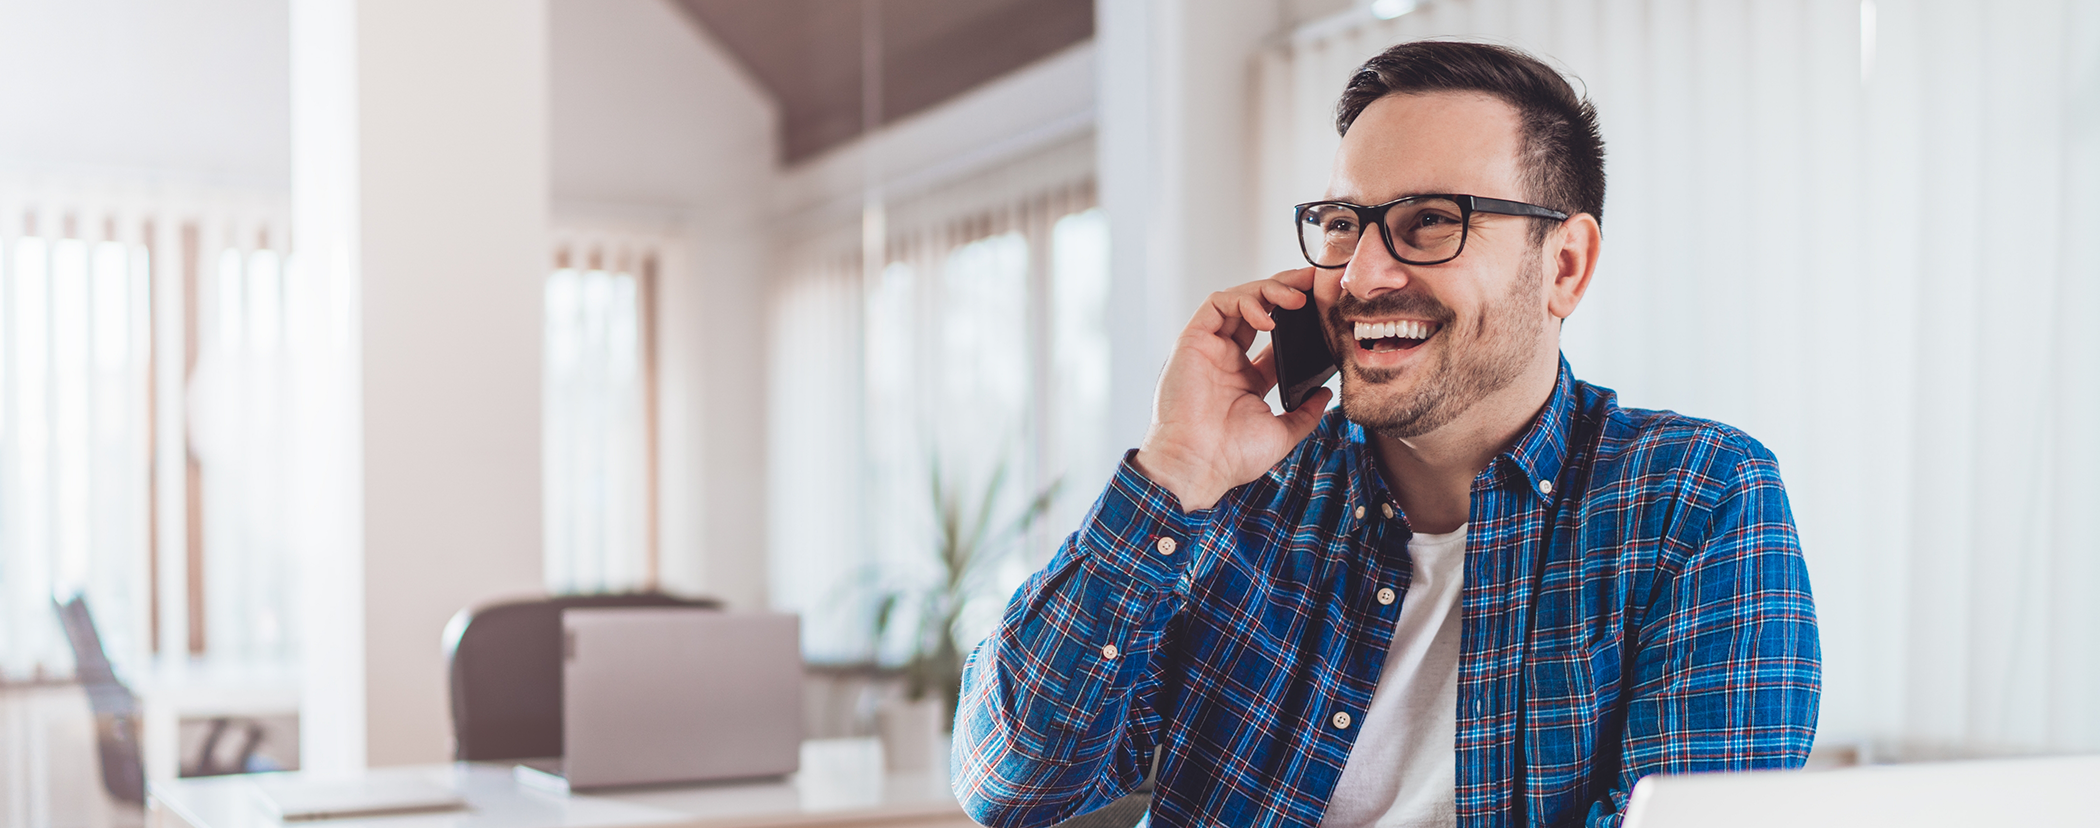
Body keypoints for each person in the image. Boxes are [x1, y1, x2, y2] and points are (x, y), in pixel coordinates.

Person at [951, 40, 1820, 828]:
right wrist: (1173, 472)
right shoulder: (1234, 502)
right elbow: (1010, 782)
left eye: (1431, 221)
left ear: (1565, 266)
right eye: (1341, 224)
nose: (1363, 275)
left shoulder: (1695, 500)